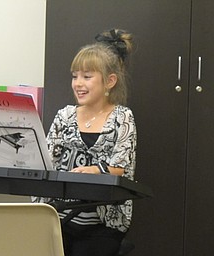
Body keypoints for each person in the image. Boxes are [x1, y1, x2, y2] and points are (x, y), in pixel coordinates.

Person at [34, 28, 137, 256]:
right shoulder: (65, 115)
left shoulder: (122, 117)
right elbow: (46, 161)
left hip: (101, 225)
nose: (78, 83)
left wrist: (93, 171)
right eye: (75, 76)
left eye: (87, 77)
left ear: (110, 81)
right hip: (59, 217)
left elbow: (121, 167)